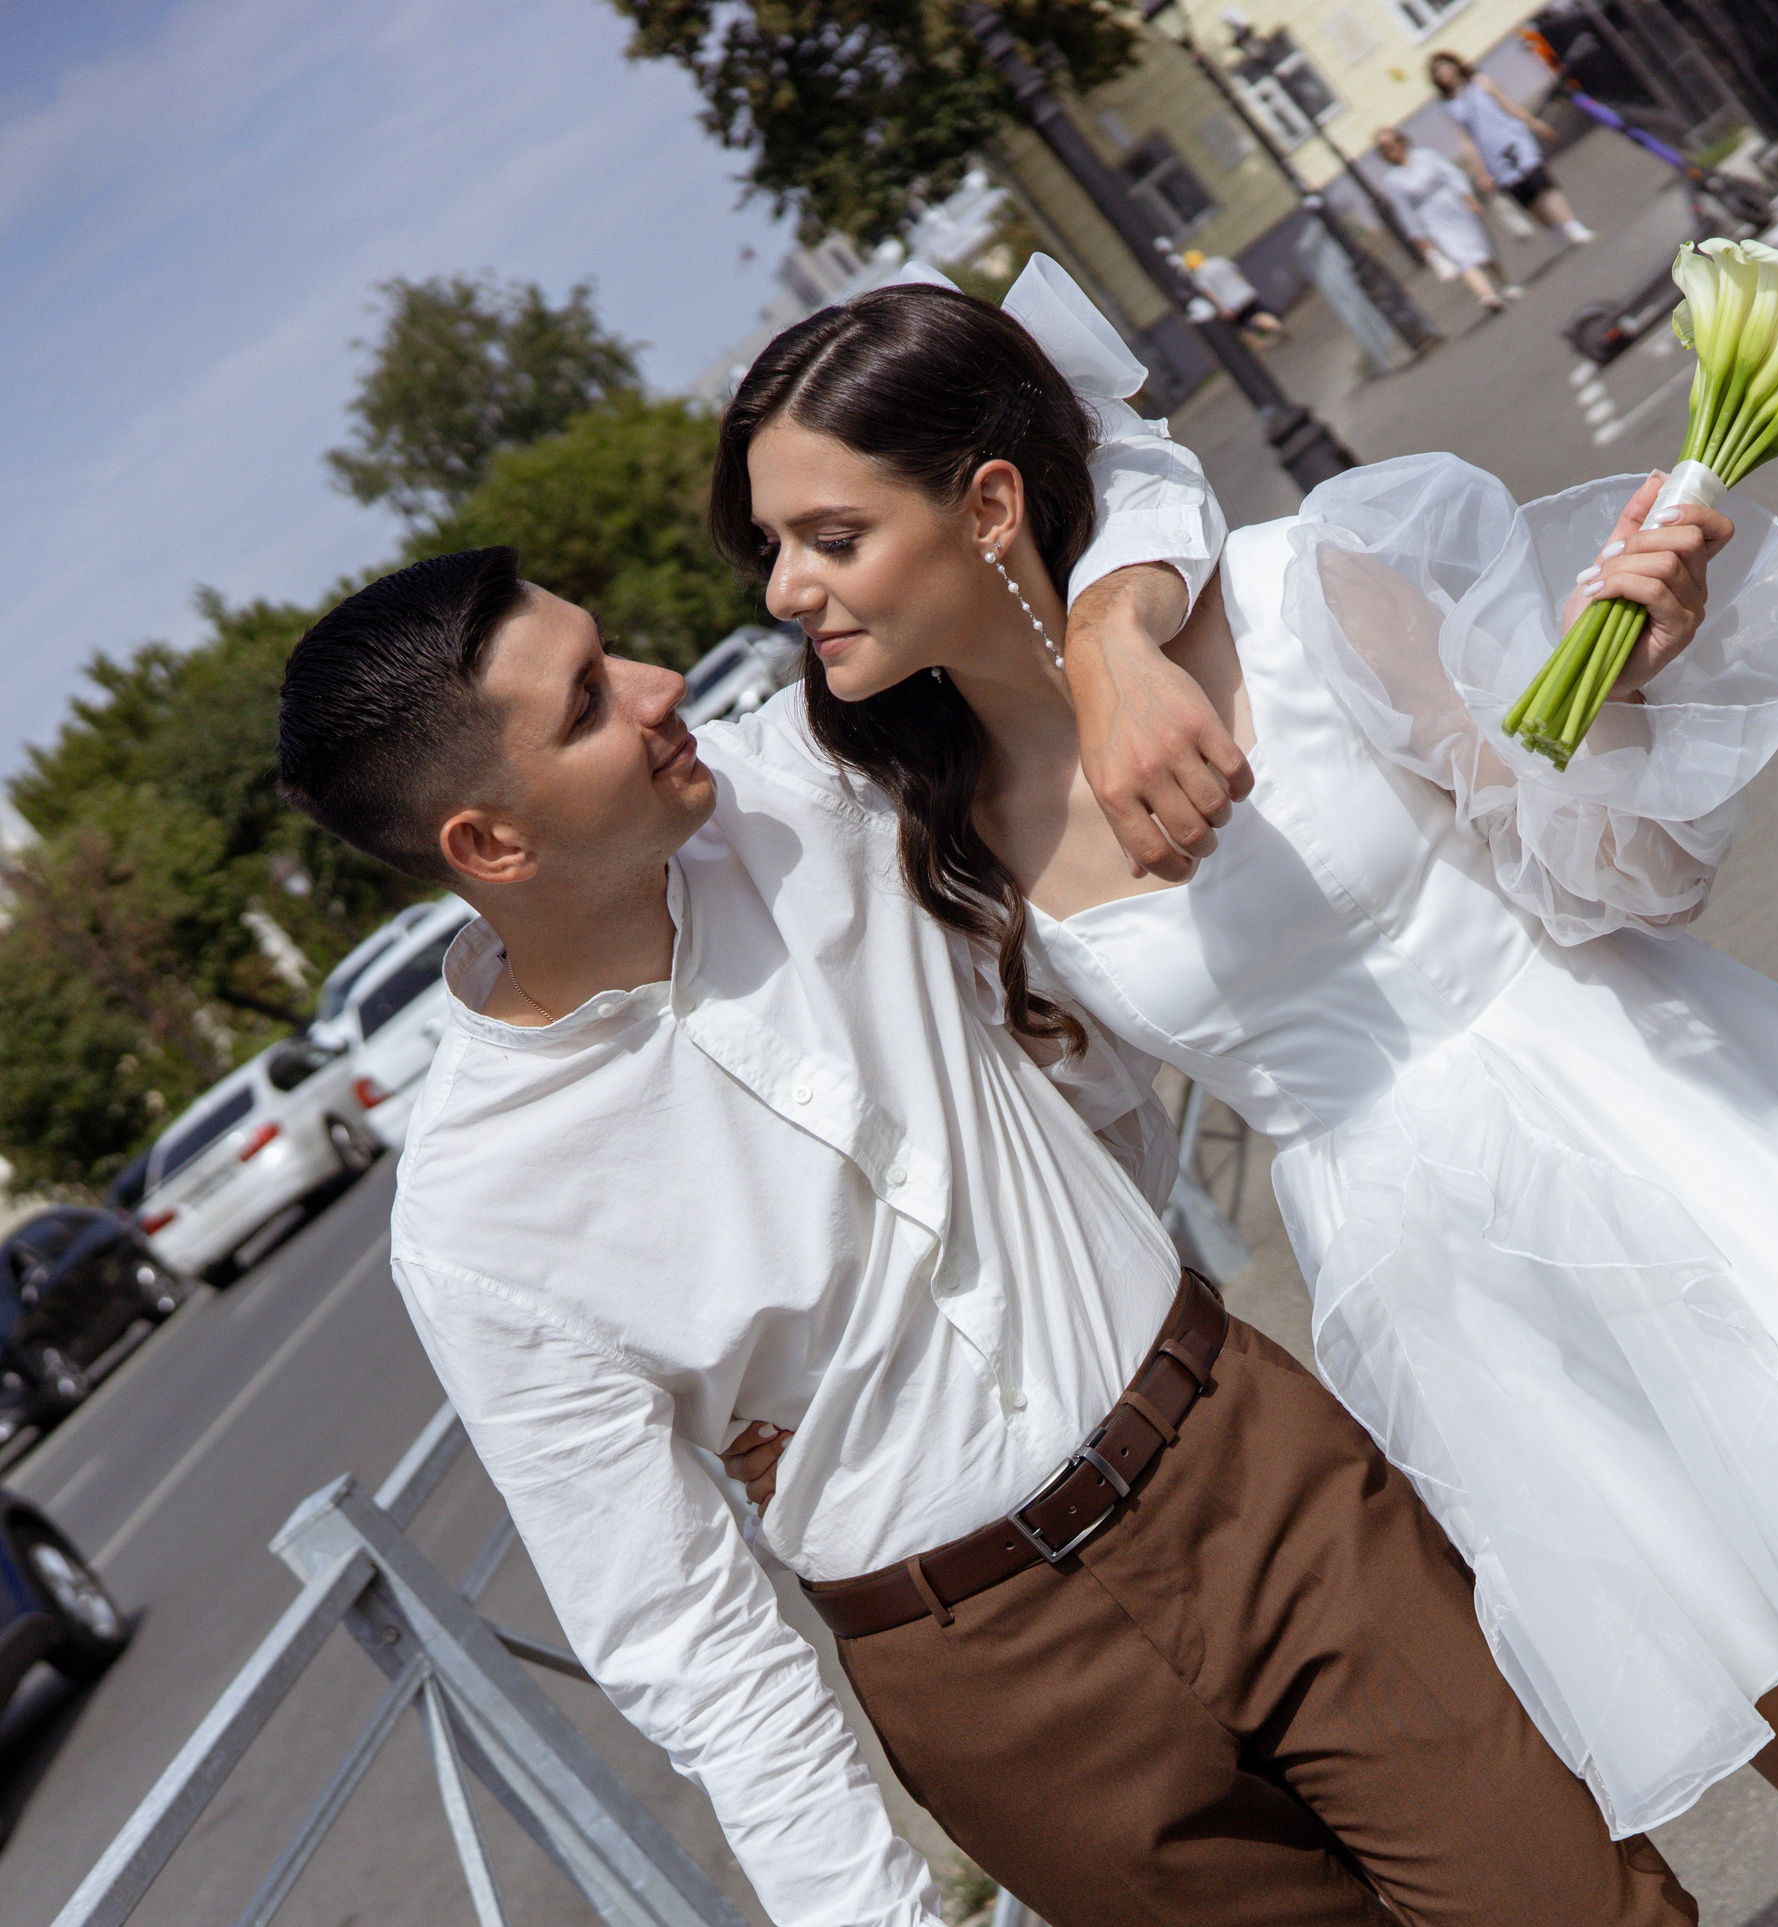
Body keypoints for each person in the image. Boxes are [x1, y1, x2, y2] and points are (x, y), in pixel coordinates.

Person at [726, 278, 1778, 1927]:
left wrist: (1619, 694)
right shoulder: (943, 840)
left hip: (1660, 1127)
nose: (788, 589)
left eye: (829, 537)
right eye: (775, 548)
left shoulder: (1302, 593)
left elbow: (1625, 882)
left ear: (989, 506)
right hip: (1457, 1311)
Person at [275, 258, 1698, 1927]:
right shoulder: (479, 1224)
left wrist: (1108, 638)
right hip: (1000, 1688)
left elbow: (1093, 449)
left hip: (1247, 1471)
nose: (662, 686)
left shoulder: (818, 767)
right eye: (590, 704)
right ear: (489, 843)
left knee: (1589, 1907)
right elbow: (674, 1621)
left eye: (613, 651)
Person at [1428, 50, 1596, 246]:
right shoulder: (1450, 105)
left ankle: (1572, 226)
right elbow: (1466, 140)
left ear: (1455, 64)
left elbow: (1509, 107)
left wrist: (1535, 124)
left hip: (1514, 139)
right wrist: (1480, 172)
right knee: (1526, 197)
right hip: (1493, 155)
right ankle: (1555, 228)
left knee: (1541, 183)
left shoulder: (1481, 82)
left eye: (1444, 66)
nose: (1443, 73)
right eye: (1437, 72)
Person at [1374, 127, 1521, 318]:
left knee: (1481, 247)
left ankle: (1504, 284)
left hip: (1453, 205)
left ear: (1401, 141)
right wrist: (1418, 238)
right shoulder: (1392, 180)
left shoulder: (1426, 156)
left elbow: (1452, 174)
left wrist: (1468, 196)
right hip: (1431, 219)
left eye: (1391, 144)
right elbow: (1404, 212)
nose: (1389, 150)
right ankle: (1487, 296)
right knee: (1460, 256)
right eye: (1383, 148)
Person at [1181, 247, 1287, 347]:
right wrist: (1247, 286)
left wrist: (1222, 308)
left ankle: (1261, 345)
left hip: (1231, 304)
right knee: (1258, 313)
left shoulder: (1199, 276)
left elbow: (1209, 293)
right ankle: (1276, 327)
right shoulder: (1218, 261)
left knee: (1243, 327)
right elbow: (1237, 273)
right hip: (1245, 293)